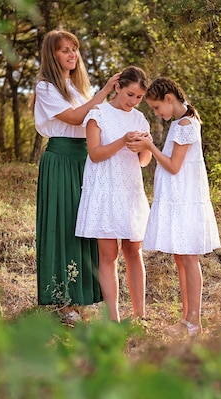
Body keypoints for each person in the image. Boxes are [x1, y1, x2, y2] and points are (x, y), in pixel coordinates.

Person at [34, 29, 120, 322]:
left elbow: (94, 119)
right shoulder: (46, 88)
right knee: (65, 223)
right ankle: (63, 300)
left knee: (87, 224)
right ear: (52, 54)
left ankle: (82, 297)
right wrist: (105, 91)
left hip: (86, 158)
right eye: (64, 50)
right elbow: (74, 118)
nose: (72, 55)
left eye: (74, 49)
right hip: (61, 159)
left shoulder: (79, 89)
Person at [135, 77, 221, 337]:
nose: (157, 113)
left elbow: (173, 166)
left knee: (189, 258)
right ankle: (187, 319)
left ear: (169, 99)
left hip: (185, 200)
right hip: (178, 198)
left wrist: (150, 146)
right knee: (181, 258)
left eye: (157, 108)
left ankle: (194, 321)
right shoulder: (180, 123)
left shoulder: (185, 125)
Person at [75, 66, 153, 322]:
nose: (133, 101)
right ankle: (113, 318)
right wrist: (122, 141)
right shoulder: (98, 113)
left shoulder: (140, 119)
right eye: (130, 94)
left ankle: (140, 315)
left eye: (139, 97)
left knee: (134, 250)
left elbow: (144, 162)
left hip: (130, 188)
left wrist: (144, 147)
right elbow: (95, 155)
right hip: (104, 189)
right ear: (118, 87)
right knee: (108, 255)